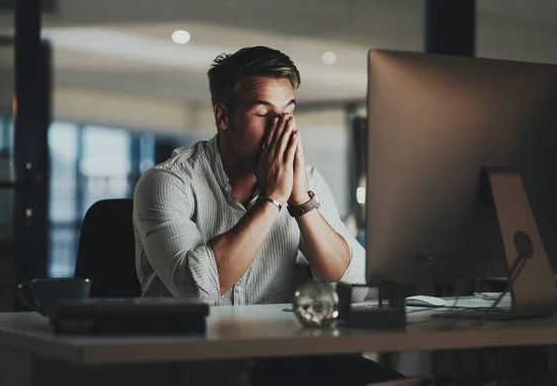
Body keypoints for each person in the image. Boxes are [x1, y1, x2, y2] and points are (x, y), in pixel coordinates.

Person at [133, 46, 403, 384]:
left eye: (288, 113)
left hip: (276, 359)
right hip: (187, 363)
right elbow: (197, 288)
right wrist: (272, 198)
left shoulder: (307, 180)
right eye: (264, 113)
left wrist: (301, 201)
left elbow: (355, 285)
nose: (282, 128)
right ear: (223, 116)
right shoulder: (166, 181)